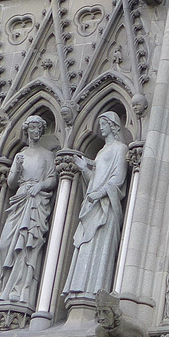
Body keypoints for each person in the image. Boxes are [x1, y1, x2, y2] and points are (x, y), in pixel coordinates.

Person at [62, 111, 131, 295]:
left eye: (104, 122)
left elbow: (118, 178)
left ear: (113, 125)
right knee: (85, 246)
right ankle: (80, 290)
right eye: (100, 122)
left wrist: (100, 193)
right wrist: (84, 168)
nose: (101, 126)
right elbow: (94, 180)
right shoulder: (101, 152)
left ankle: (93, 292)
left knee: (100, 247)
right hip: (92, 203)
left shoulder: (120, 148)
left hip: (106, 205)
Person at [0, 114, 57, 313]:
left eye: (39, 128)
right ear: (27, 130)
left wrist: (40, 186)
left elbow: (53, 179)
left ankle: (21, 292)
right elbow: (11, 183)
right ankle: (5, 288)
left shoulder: (48, 155)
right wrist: (17, 168)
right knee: (5, 245)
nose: (36, 131)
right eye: (33, 128)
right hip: (20, 199)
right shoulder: (20, 155)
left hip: (36, 201)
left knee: (28, 245)